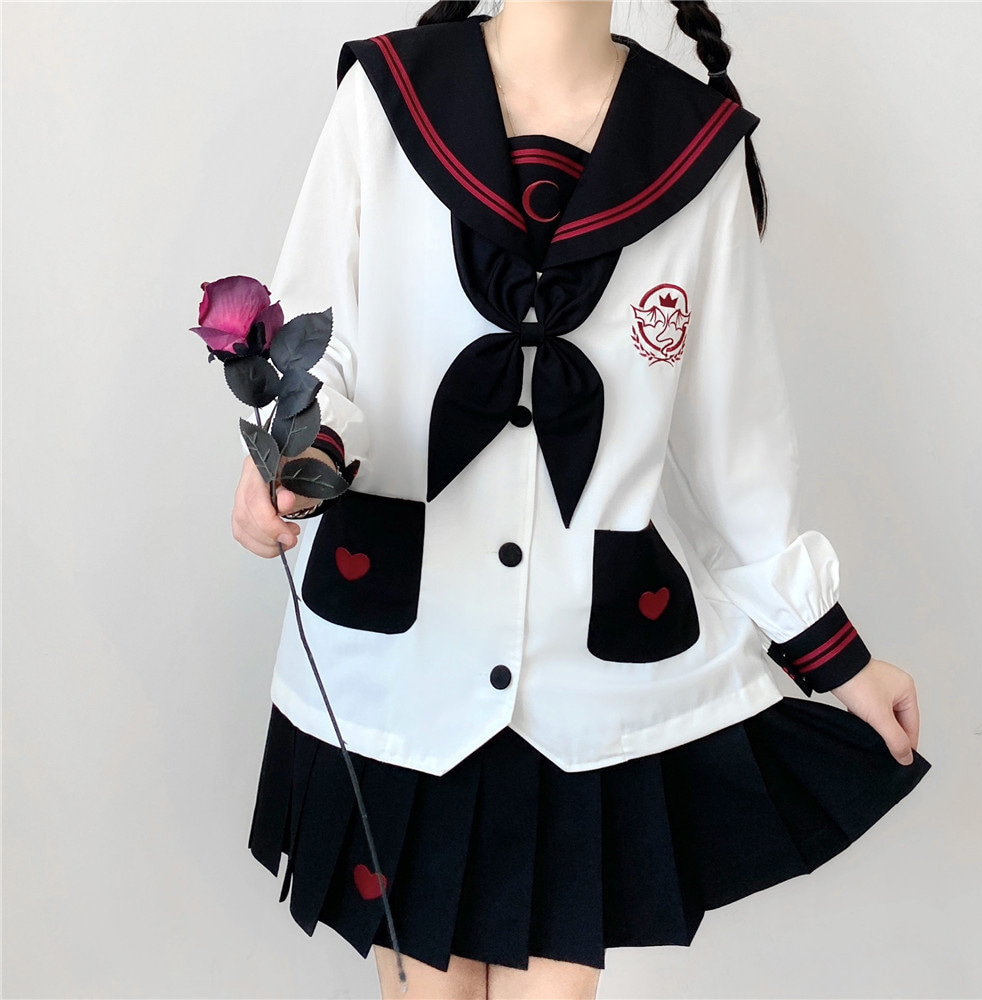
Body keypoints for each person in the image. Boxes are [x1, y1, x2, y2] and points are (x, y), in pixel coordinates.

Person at [232, 2, 932, 998]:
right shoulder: (385, 99)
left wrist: (835, 654)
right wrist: (293, 452)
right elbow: (319, 342)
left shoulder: (694, 149)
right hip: (405, 654)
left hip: (588, 686)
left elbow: (731, 445)